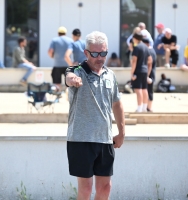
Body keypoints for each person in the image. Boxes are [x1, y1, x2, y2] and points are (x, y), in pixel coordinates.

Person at [65, 31, 125, 200]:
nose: (100, 58)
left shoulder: (110, 75)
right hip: (81, 139)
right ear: (86, 53)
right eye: (95, 54)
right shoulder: (77, 70)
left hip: (105, 139)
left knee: (105, 187)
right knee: (85, 189)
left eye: (103, 53)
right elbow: (69, 76)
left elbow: (117, 104)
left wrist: (122, 133)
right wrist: (73, 80)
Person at [131, 33, 152, 112]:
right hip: (145, 70)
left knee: (138, 89)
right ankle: (144, 107)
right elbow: (150, 60)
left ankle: (139, 107)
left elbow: (134, 61)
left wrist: (132, 73)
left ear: (135, 38)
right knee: (144, 89)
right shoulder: (146, 47)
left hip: (138, 70)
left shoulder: (137, 47)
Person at [143, 38, 156, 112]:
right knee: (148, 90)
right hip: (150, 73)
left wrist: (147, 76)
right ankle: (147, 106)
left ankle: (149, 107)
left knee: (149, 90)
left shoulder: (150, 51)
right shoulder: (151, 51)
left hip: (150, 73)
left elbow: (150, 64)